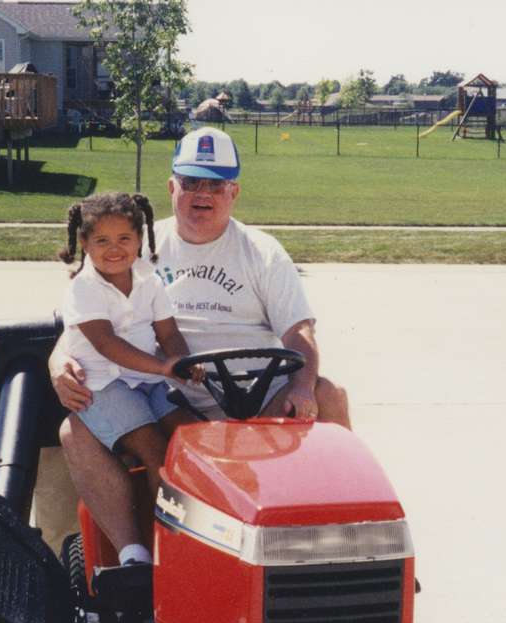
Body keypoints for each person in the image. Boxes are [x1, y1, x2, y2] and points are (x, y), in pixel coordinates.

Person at [48, 127, 350, 553]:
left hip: (260, 400)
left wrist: (301, 384)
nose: (201, 194)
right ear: (172, 187)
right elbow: (86, 321)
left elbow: (299, 331)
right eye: (191, 182)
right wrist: (57, 361)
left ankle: (349, 542)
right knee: (74, 429)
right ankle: (136, 558)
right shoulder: (138, 246)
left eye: (215, 184)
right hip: (173, 399)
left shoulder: (261, 252)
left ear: (234, 192)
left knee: (329, 394)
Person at [57, 191, 201, 566]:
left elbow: (168, 335)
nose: (114, 249)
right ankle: (161, 553)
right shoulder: (83, 289)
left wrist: (182, 362)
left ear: (140, 239)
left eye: (124, 239)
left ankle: (207, 538)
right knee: (156, 452)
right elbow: (105, 344)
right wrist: (162, 368)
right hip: (102, 385)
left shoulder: (149, 280)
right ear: (84, 243)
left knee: (193, 437)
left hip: (147, 381)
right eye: (101, 241)